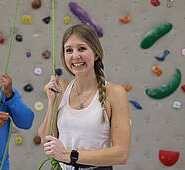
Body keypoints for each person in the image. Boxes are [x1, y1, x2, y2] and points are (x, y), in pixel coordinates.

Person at [38, 24, 131, 170]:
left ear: (96, 53)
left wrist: (69, 156)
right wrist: (52, 102)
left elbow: (121, 154)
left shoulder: (115, 93)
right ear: (64, 56)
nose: (75, 56)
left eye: (81, 48)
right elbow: (46, 139)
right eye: (69, 50)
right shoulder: (61, 88)